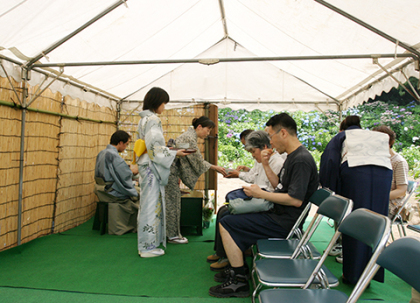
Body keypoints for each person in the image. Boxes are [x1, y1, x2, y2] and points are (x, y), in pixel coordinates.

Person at [209, 113, 319, 298]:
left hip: (284, 221)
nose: (270, 143)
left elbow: (295, 200)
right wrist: (266, 165)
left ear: (283, 133)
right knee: (227, 216)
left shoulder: (300, 159)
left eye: (271, 136)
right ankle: (237, 269)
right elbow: (279, 186)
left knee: (227, 222)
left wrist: (261, 194)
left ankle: (239, 281)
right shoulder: (293, 156)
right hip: (278, 213)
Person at [319, 115, 392, 285]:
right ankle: (372, 275)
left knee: (355, 222)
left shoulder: (342, 136)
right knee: (377, 223)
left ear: (342, 128)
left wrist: (334, 191)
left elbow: (329, 161)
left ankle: (351, 276)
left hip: (355, 174)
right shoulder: (373, 136)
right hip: (384, 175)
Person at [136, 87, 188, 258]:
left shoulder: (143, 120)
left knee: (147, 205)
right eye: (164, 103)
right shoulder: (153, 119)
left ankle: (148, 243)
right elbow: (155, 148)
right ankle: (147, 247)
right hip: (151, 167)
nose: (164, 107)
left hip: (145, 164)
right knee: (151, 206)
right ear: (158, 102)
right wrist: (175, 152)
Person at [165, 116, 227, 244]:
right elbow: (197, 160)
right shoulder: (188, 138)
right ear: (199, 127)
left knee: (171, 203)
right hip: (169, 172)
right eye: (208, 130)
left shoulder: (188, 136)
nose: (208, 133)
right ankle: (172, 236)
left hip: (170, 171)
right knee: (172, 204)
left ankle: (169, 233)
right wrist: (214, 167)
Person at [94, 130, 139, 235]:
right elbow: (125, 175)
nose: (126, 147)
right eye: (126, 144)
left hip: (101, 189)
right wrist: (132, 171)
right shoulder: (113, 155)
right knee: (141, 193)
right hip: (112, 192)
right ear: (120, 143)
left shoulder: (102, 152)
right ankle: (134, 225)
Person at [372, 125, 409, 219]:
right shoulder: (376, 159)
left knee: (361, 212)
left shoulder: (399, 162)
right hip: (376, 199)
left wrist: (379, 196)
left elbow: (402, 191)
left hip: (389, 204)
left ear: (388, 143)